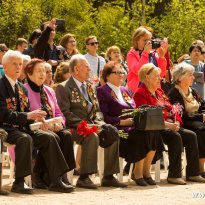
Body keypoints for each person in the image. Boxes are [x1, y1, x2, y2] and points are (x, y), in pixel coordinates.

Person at [0, 50, 74, 194]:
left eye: (20, 64)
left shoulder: (21, 88)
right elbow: (3, 114)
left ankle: (56, 180)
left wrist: (39, 121)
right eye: (14, 64)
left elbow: (27, 114)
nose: (18, 67)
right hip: (5, 128)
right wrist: (28, 116)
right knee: (24, 138)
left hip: (22, 127)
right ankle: (20, 182)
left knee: (50, 137)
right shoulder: (1, 86)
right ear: (5, 66)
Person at [55, 54, 127, 189]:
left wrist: (101, 124)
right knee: (91, 136)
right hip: (74, 127)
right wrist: (86, 125)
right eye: (87, 67)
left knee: (112, 132)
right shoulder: (63, 87)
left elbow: (97, 110)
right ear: (76, 69)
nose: (89, 70)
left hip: (92, 124)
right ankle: (84, 177)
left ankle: (109, 176)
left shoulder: (89, 86)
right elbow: (65, 113)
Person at [133, 63, 205, 185]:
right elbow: (147, 117)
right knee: (175, 137)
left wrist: (177, 121)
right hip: (155, 127)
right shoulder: (140, 93)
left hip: (170, 124)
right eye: (156, 76)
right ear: (147, 77)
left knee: (191, 135)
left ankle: (193, 173)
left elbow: (173, 109)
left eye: (159, 76)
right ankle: (174, 175)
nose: (160, 79)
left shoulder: (160, 92)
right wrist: (168, 124)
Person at [97, 61, 164, 186]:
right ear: (107, 75)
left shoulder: (124, 90)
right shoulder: (102, 91)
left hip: (133, 125)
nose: (121, 75)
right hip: (118, 129)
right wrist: (121, 122)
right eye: (117, 72)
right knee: (140, 135)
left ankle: (146, 171)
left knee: (154, 132)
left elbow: (134, 109)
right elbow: (104, 117)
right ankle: (136, 172)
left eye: (122, 72)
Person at [24, 58, 75, 188]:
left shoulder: (49, 91)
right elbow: (23, 114)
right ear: (29, 74)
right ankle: (55, 179)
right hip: (31, 129)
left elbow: (59, 113)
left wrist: (59, 124)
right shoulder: (24, 91)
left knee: (66, 135)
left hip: (51, 127)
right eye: (39, 71)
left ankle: (58, 175)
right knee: (51, 137)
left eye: (44, 71)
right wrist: (37, 122)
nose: (43, 74)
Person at [168, 62, 205, 179]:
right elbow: (180, 114)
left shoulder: (193, 91)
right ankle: (199, 169)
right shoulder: (174, 93)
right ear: (180, 77)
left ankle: (199, 168)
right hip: (185, 123)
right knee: (201, 131)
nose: (193, 77)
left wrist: (203, 114)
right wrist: (201, 117)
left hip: (197, 122)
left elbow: (202, 105)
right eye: (190, 75)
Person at [126, 26, 167, 94]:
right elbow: (138, 71)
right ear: (136, 41)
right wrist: (145, 53)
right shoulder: (132, 54)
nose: (148, 42)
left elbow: (161, 74)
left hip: (153, 90)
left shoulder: (153, 54)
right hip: (137, 91)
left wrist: (161, 58)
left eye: (149, 40)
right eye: (145, 40)